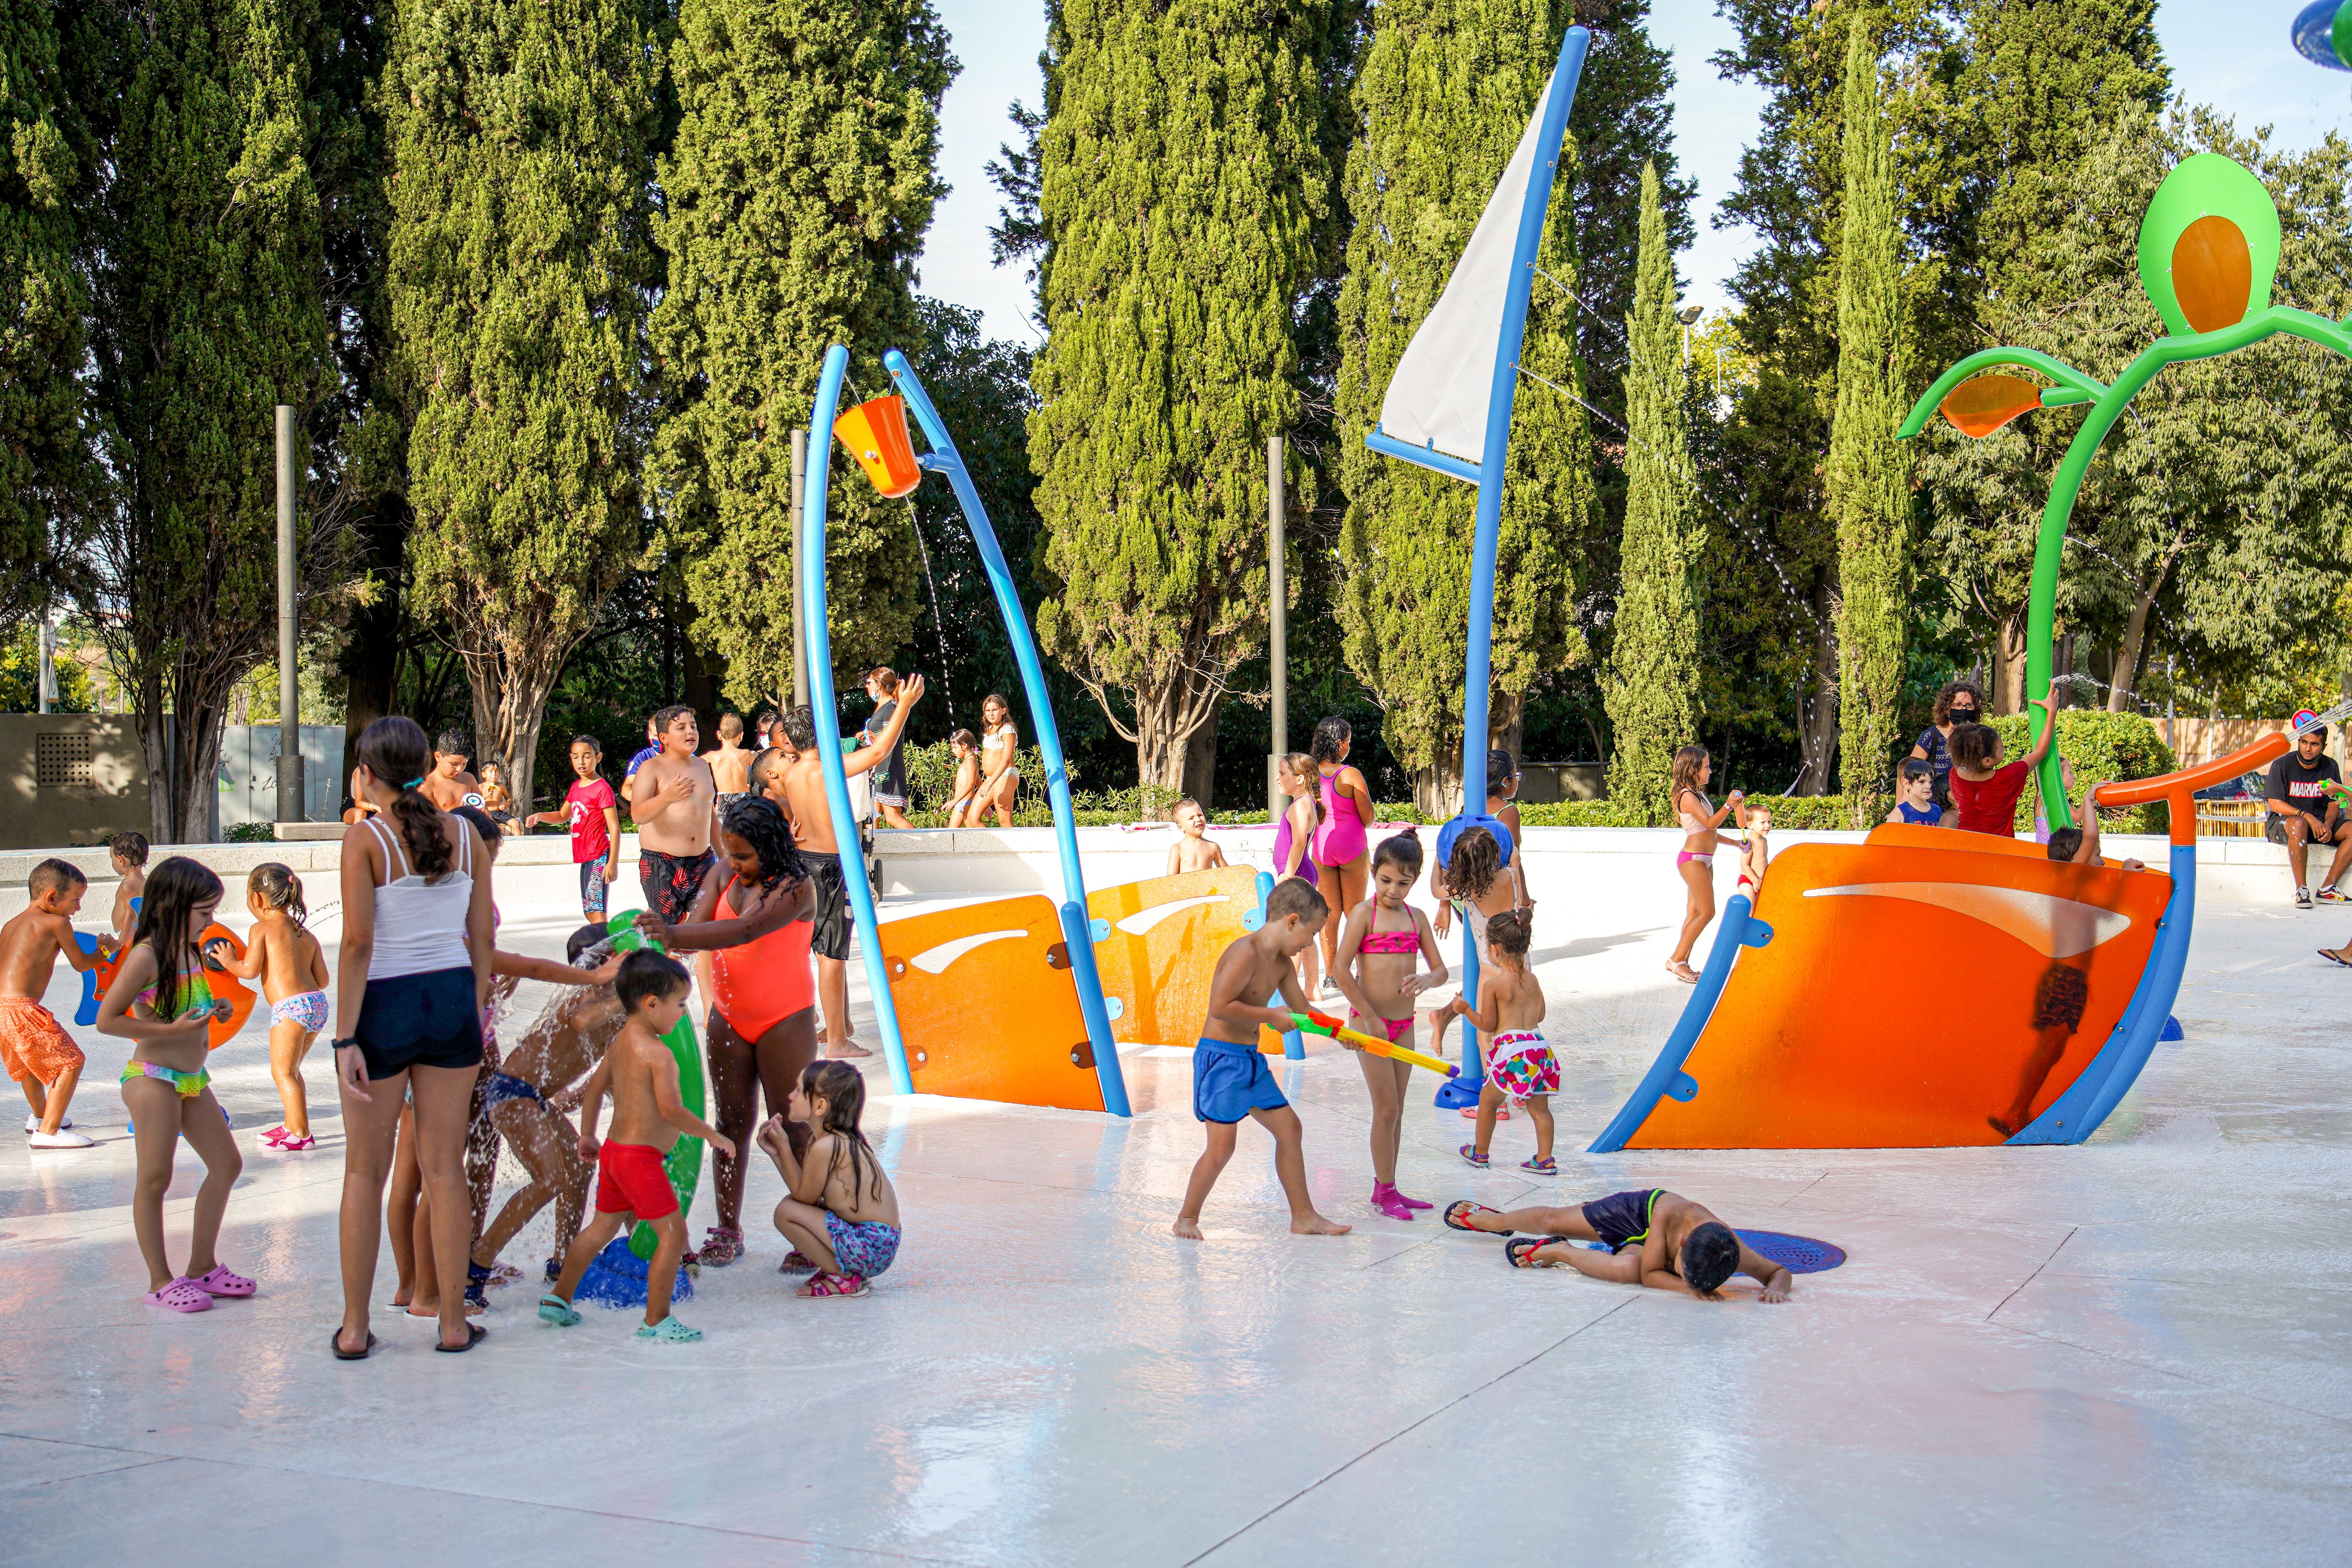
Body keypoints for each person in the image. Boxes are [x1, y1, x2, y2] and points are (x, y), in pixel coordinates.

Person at [330, 716, 495, 1359]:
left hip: (385, 1006)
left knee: (363, 1173)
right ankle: (453, 1323)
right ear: (425, 766)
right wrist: (475, 1008)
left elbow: (357, 944)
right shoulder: (463, 833)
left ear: (365, 775)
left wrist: (346, 1039)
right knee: (445, 1169)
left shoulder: (366, 838)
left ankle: (353, 1327)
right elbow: (482, 939)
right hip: (451, 999)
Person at [636, 795, 815, 1268]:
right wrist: (660, 945)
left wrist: (671, 934)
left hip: (786, 1019)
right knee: (729, 1123)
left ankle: (811, 1227)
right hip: (730, 1016)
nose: (734, 863)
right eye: (730, 853)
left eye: (743, 855)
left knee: (792, 1124)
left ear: (772, 847)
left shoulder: (797, 888)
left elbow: (743, 932)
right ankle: (728, 1226)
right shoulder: (723, 872)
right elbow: (698, 927)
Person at [539, 950, 735, 1342]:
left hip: (614, 1152)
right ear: (651, 1004)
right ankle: (657, 1320)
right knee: (673, 1235)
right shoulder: (659, 1055)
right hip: (640, 1161)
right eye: (680, 1004)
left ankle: (559, 1299)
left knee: (599, 1229)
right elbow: (673, 1111)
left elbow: (594, 1091)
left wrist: (588, 1135)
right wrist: (711, 1135)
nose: (683, 1013)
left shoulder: (620, 1043)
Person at [94, 857, 251, 1312]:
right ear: (173, 907)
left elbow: (185, 1006)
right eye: (205, 912)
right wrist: (172, 1031)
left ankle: (202, 1266)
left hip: (190, 1079)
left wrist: (214, 1007)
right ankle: (160, 1280)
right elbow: (108, 1020)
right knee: (155, 1178)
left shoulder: (189, 949)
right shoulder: (147, 955)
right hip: (153, 1079)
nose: (212, 921)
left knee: (227, 1164)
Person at [1172, 877, 1351, 1240]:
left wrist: (1342, 1033)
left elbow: (1304, 1010)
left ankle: (1303, 1216)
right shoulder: (1246, 953)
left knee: (1290, 1129)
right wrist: (1270, 1016)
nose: (1311, 941)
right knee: (1222, 1149)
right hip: (1221, 1061)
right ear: (1292, 921)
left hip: (1250, 1062)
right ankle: (1186, 1218)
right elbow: (1220, 1008)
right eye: (1312, 933)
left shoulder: (1284, 964)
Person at [771, 682, 924, 1060]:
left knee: (823, 948)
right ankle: (838, 1041)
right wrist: (903, 705)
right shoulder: (829, 768)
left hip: (805, 864)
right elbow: (879, 751)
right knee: (833, 955)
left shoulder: (790, 775)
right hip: (833, 867)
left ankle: (839, 1026)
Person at [1990, 776, 2147, 1137]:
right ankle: (2016, 1110)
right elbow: (2088, 838)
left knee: (2054, 1049)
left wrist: (2123, 877)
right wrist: (2090, 801)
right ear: (2074, 860)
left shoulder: (2080, 897)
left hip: (2071, 981)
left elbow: (2110, 917)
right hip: (2063, 979)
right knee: (2048, 1049)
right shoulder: (2067, 884)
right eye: (2096, 855)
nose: (2102, 858)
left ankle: (2020, 1108)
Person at [470, 925, 627, 1283]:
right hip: (512, 1091)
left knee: (580, 1166)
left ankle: (563, 1261)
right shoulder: (589, 995)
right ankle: (477, 1264)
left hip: (532, 1098)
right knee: (551, 1178)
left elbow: (608, 1074)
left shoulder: (617, 1010)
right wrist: (629, 993)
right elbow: (582, 1020)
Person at [1328, 829, 1446, 1218]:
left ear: (1415, 881)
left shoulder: (1418, 919)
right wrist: (1371, 1018)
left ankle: (1388, 1188)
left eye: (1404, 882)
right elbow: (1340, 970)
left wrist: (1428, 980)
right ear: (1373, 872)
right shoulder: (1365, 914)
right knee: (1385, 1108)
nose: (1393, 889)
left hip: (1404, 1024)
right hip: (1369, 1024)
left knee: (1396, 1110)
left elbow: (1440, 971)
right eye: (1386, 880)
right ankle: (1386, 1190)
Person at [1445, 1188, 1793, 1301]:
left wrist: (1777, 1289)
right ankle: (1494, 1221)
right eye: (1684, 1270)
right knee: (1552, 1219)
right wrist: (1690, 1289)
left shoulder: (1728, 1249)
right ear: (1683, 1243)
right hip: (1639, 1214)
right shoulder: (1673, 1218)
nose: (1684, 1276)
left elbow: (1778, 1272)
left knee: (1626, 1269)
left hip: (1646, 1247)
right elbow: (1653, 1272)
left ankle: (1560, 1251)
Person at [207, 864, 331, 1151]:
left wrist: (227, 960)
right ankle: (293, 1124)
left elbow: (249, 970)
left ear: (258, 899)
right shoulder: (306, 935)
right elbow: (323, 980)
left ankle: (300, 1133)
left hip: (290, 1008)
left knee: (283, 1073)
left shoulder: (261, 929)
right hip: (316, 1005)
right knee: (293, 1069)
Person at [756, 1060, 901, 1298]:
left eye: (799, 1090)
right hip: (877, 1244)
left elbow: (803, 1198)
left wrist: (784, 1148)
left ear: (820, 1106)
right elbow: (805, 1196)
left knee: (785, 1212)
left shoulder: (827, 1145)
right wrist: (776, 1153)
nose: (791, 1096)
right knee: (791, 1208)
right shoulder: (836, 1140)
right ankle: (847, 1272)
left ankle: (845, 1278)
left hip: (871, 1245)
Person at [1437, 909, 1555, 1174]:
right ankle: (1545, 1158)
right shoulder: (1532, 979)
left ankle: (1480, 1152)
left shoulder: (1495, 985)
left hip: (1513, 1051)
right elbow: (1541, 1015)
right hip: (1539, 1047)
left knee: (1489, 1102)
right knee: (1540, 1108)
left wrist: (1464, 1009)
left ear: (1495, 950)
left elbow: (1488, 1026)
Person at [0, 858, 107, 1147]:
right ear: (52, 897)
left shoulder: (10, 925)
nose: (78, 908)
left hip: (2, 1010)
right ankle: (48, 1132)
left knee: (27, 1065)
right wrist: (108, 948)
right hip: (23, 1008)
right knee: (71, 1062)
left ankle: (40, 1116)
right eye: (76, 900)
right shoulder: (57, 923)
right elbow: (83, 964)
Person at [1432, 825, 1526, 1119]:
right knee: (1519, 1029)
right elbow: (1522, 900)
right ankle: (1522, 1089)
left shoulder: (1466, 890)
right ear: (1496, 853)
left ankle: (1498, 1102)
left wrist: (1437, 861)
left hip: (1490, 969)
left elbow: (1437, 889)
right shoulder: (1511, 876)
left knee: (1486, 1035)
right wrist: (1516, 861)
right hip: (1522, 964)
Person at [1307, 716, 1376, 997]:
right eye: (1349, 741)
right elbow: (1369, 818)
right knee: (1356, 912)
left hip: (1322, 848)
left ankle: (1331, 975)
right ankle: (1361, 971)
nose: (1349, 747)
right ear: (1340, 743)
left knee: (1330, 914)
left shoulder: (1307, 774)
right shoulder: (1350, 775)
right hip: (1352, 847)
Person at [1661, 745, 1741, 984]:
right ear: (1693, 769)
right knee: (1708, 912)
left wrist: (1737, 843)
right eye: (1706, 766)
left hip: (1705, 860)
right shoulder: (1686, 795)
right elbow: (1709, 823)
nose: (1710, 771)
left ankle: (1681, 962)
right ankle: (1676, 960)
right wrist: (1728, 806)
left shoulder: (1698, 794)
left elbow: (1711, 833)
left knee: (1695, 912)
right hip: (1693, 860)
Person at [528, 735, 622, 928]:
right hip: (585, 857)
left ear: (598, 757)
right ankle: (607, 951)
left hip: (598, 857)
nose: (581, 761)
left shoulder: (602, 789)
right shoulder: (576, 787)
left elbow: (614, 828)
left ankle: (611, 953)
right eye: (576, 756)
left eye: (587, 756)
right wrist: (540, 816)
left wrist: (612, 863)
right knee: (589, 911)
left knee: (597, 914)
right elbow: (563, 816)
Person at [1949, 692, 2059, 839]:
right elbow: (2040, 751)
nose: (2004, 750)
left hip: (1967, 844)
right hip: (2001, 848)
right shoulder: (2007, 777)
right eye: (2001, 748)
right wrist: (2052, 711)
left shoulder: (1954, 775)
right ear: (1987, 761)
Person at [2264, 724, 2350, 907]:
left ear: (2323, 746)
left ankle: (2328, 888)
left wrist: (2328, 823)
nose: (2308, 748)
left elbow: (2334, 802)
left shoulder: (2330, 766)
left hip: (2318, 826)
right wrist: (2308, 817)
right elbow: (2275, 803)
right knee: (2299, 823)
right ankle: (2301, 890)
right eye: (2304, 742)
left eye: (2314, 744)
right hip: (2285, 825)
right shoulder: (2282, 764)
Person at [1270, 751, 1325, 995]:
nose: (1278, 778)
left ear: (1300, 779)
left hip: (1297, 874)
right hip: (1303, 873)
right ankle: (1312, 988)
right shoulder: (1305, 803)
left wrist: (1288, 876)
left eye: (1283, 773)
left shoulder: (1302, 805)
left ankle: (1289, 992)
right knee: (1305, 934)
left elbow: (1299, 842)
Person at [1908, 680, 1985, 820]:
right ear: (1947, 709)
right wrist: (1903, 805)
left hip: (1970, 808)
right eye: (1958, 705)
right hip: (1933, 810)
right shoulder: (1932, 736)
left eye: (1969, 705)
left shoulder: (1980, 737)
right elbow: (1909, 769)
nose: (1964, 710)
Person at [861, 669, 914, 831]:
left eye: (869, 683)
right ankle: (873, 852)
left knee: (892, 817)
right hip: (878, 767)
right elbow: (879, 737)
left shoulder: (891, 708)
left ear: (878, 685)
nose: (866, 687)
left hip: (888, 767)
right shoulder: (882, 707)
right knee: (872, 816)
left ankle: (926, 847)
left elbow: (890, 740)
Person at [975, 692, 1021, 828]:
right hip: (991, 778)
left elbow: (1006, 760)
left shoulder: (1007, 729)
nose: (991, 713)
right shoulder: (989, 729)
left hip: (1005, 775)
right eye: (988, 710)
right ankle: (989, 847)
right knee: (973, 818)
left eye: (995, 710)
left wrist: (989, 784)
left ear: (1003, 710)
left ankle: (1016, 849)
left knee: (1005, 821)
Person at [704, 713, 755, 813]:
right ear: (741, 736)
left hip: (723, 799)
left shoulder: (712, 757)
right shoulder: (746, 754)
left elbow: (693, 763)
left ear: (719, 735)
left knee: (723, 828)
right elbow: (760, 767)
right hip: (744, 798)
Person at [421, 730, 483, 811]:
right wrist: (461, 816)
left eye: (464, 764)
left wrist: (482, 813)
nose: (459, 769)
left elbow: (485, 813)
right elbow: (430, 821)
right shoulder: (426, 786)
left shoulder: (469, 779)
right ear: (438, 757)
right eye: (454, 764)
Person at [1165, 797, 1227, 875]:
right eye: (1191, 818)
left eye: (1200, 815)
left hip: (1207, 887)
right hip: (1185, 887)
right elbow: (1170, 879)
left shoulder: (1213, 847)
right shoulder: (1178, 849)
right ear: (1181, 828)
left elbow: (1226, 873)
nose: (1198, 820)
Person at [109, 831, 149, 947]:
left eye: (113, 859)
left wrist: (121, 942)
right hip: (135, 933)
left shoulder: (128, 885)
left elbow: (131, 914)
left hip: (128, 935)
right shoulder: (143, 882)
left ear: (121, 860)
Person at [1485, 750, 1524, 851]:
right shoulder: (1508, 811)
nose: (1518, 780)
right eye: (1516, 776)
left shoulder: (1468, 807)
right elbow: (1514, 859)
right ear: (1505, 782)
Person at [1887, 759, 1944, 826]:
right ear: (1907, 783)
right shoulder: (1900, 813)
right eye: (1922, 782)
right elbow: (1888, 836)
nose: (1928, 786)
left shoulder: (1937, 810)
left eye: (1931, 782)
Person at [944, 729, 982, 827]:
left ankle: (992, 841)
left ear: (965, 746)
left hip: (968, 803)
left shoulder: (971, 762)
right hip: (959, 804)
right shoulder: (966, 762)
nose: (953, 751)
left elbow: (971, 785)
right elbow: (980, 784)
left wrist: (954, 801)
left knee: (975, 833)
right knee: (951, 833)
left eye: (955, 748)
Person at [1736, 800, 1772, 895]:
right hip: (1748, 881)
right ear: (1750, 825)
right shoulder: (1749, 842)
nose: (1768, 825)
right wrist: (1755, 881)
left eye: (1769, 821)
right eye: (1763, 823)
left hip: (1761, 882)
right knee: (1750, 908)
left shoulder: (1764, 841)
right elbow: (1744, 865)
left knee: (1757, 908)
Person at [477, 761, 517, 829]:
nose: (494, 774)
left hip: (499, 813)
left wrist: (507, 804)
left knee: (515, 823)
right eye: (491, 771)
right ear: (484, 774)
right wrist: (485, 796)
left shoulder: (501, 786)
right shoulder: (480, 787)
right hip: (487, 813)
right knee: (494, 826)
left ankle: (518, 840)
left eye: (497, 772)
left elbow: (509, 797)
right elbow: (476, 802)